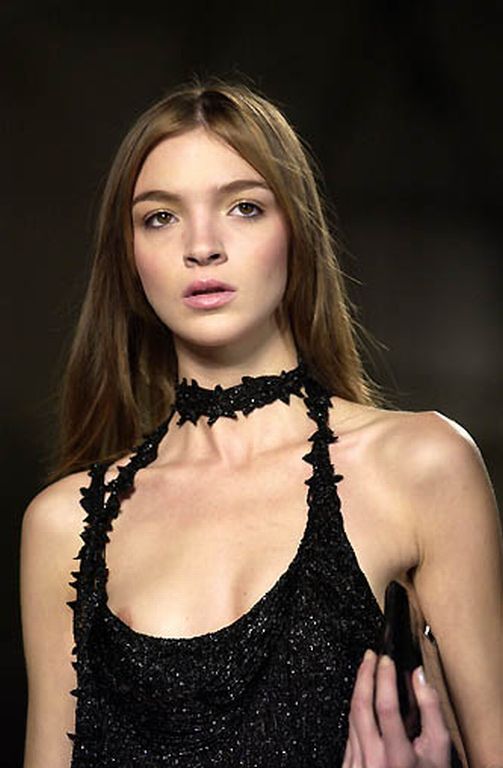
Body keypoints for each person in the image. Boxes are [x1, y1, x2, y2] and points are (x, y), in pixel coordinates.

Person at [20, 78, 502, 768]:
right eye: (160, 217)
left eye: (243, 207)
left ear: (295, 231)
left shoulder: (419, 466)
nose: (202, 246)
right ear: (128, 257)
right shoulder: (63, 526)